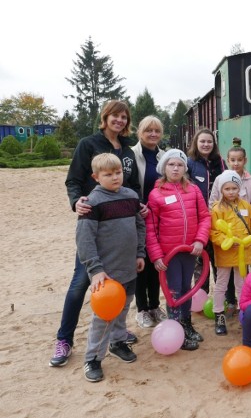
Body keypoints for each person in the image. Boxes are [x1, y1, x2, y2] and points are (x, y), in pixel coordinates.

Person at [50, 100, 141, 368]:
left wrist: (138, 204)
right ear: (105, 117)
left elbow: (132, 183)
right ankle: (64, 339)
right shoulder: (88, 145)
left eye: (124, 117)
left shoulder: (126, 149)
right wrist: (77, 200)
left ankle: (117, 337)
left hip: (121, 222)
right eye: (115, 116)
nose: (120, 120)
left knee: (123, 291)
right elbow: (73, 180)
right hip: (94, 222)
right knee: (81, 284)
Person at [78, 154, 146, 382]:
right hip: (105, 274)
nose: (115, 177)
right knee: (103, 317)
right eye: (108, 174)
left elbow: (139, 225)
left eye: (118, 172)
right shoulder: (91, 203)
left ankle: (117, 343)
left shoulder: (131, 196)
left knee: (124, 309)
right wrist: (95, 269)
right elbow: (85, 240)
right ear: (96, 177)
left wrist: (140, 253)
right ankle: (92, 358)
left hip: (128, 268)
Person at [145, 149, 211, 351]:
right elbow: (151, 229)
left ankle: (186, 324)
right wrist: (156, 255)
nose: (176, 168)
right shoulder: (156, 194)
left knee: (187, 289)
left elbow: (205, 217)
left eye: (180, 165)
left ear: (185, 168)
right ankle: (175, 332)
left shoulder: (193, 190)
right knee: (173, 292)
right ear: (164, 167)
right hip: (169, 255)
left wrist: (200, 240)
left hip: (190, 251)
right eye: (171, 164)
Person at [209, 170, 251, 336]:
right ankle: (219, 314)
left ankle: (244, 312)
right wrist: (226, 242)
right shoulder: (217, 209)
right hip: (225, 253)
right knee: (221, 284)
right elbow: (213, 231)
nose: (231, 191)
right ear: (221, 190)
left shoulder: (246, 206)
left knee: (243, 285)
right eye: (227, 188)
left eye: (234, 188)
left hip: (243, 253)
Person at [131, 115, 167, 328]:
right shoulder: (132, 154)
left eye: (157, 131)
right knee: (140, 261)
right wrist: (137, 205)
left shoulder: (163, 155)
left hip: (159, 216)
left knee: (156, 262)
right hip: (139, 215)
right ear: (140, 132)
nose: (153, 134)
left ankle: (155, 305)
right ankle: (142, 309)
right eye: (148, 130)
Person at [187, 128, 225, 295]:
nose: (206, 144)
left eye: (209, 141)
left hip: (219, 219)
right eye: (202, 141)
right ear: (196, 143)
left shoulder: (220, 162)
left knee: (218, 259)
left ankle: (221, 296)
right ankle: (201, 296)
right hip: (198, 219)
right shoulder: (189, 163)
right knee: (200, 260)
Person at [210, 137, 251, 217]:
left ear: (245, 160)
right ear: (228, 161)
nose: (236, 163)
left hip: (245, 222)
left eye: (240, 160)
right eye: (233, 160)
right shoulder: (219, 179)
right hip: (224, 222)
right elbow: (212, 203)